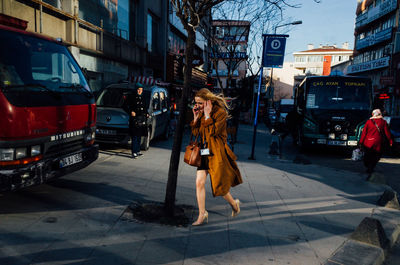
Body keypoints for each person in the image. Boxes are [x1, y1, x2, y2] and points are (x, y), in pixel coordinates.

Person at [190, 88, 243, 226]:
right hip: (203, 152)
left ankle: (234, 204)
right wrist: (196, 118)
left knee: (219, 186)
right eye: (196, 103)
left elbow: (213, 132)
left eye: (200, 103)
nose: (198, 106)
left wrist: (207, 116)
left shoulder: (220, 113)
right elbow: (198, 132)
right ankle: (202, 214)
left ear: (208, 101)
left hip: (216, 154)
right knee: (199, 182)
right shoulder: (201, 113)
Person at [359, 109, 393, 178]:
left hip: (368, 142)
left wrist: (361, 142)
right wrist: (390, 141)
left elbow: (364, 133)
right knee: (376, 156)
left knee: (368, 155)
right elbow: (387, 133)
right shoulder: (383, 122)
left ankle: (368, 167)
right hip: (378, 143)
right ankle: (371, 168)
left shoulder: (368, 122)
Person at [125, 84, 148, 158]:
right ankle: (134, 152)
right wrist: (131, 111)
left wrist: (146, 113)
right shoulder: (132, 97)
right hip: (134, 119)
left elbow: (145, 108)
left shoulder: (143, 98)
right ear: (136, 90)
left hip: (141, 119)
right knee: (134, 136)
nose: (140, 91)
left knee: (139, 136)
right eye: (138, 89)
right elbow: (125, 106)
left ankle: (138, 151)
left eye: (141, 89)